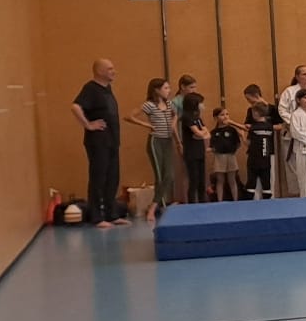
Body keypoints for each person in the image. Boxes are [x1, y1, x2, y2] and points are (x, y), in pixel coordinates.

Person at [70, 58, 126, 228]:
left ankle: (111, 214)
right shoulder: (90, 89)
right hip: (98, 142)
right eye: (110, 69)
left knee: (112, 177)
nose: (114, 71)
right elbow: (75, 106)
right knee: (98, 178)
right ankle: (96, 216)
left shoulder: (107, 89)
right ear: (100, 71)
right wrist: (88, 125)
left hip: (112, 141)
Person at [127, 76, 176, 220]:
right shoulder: (149, 105)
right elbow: (129, 116)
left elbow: (176, 115)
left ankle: (156, 205)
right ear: (157, 90)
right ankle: (155, 208)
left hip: (168, 141)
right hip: (156, 142)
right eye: (165, 88)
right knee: (160, 176)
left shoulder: (169, 104)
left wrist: (173, 124)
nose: (169, 90)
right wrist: (147, 125)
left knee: (169, 175)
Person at [242, 84, 279, 198]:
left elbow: (281, 125)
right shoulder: (250, 110)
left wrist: (266, 127)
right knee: (254, 178)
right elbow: (247, 126)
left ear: (256, 95)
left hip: (267, 148)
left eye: (249, 99)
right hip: (255, 149)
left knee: (269, 176)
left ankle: (269, 199)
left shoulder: (272, 109)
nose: (249, 102)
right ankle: (256, 200)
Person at [177, 91, 208, 201]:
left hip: (200, 151)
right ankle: (192, 203)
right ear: (194, 104)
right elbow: (198, 133)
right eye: (201, 103)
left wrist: (201, 134)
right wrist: (201, 134)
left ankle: (202, 202)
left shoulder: (198, 118)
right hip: (191, 153)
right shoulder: (187, 117)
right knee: (194, 180)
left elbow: (207, 133)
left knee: (202, 181)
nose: (202, 105)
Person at [208, 107, 244, 201]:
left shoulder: (232, 130)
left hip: (231, 156)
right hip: (219, 157)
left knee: (232, 179)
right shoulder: (214, 132)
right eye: (222, 115)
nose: (225, 117)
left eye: (227, 114)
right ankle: (220, 200)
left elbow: (238, 143)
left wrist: (232, 151)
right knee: (220, 180)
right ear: (216, 118)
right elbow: (212, 146)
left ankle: (235, 200)